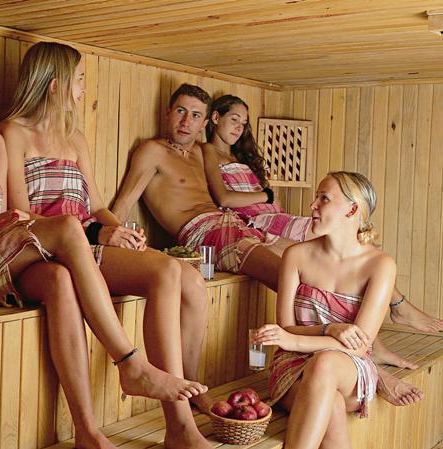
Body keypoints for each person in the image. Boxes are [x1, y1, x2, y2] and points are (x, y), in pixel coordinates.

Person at [0, 38, 207, 449]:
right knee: (69, 230)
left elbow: (16, 219)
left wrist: (116, 232)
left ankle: (88, 433)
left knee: (60, 279)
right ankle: (130, 363)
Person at [111, 83, 424, 406]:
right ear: (167, 113)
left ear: (205, 122)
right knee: (289, 276)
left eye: (195, 115)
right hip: (203, 231)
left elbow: (222, 189)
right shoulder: (152, 151)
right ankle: (367, 359)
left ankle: (366, 339)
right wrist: (114, 241)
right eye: (180, 111)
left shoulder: (202, 153)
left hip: (232, 223)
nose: (186, 121)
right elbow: (123, 204)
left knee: (310, 255)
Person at [0, 42, 212, 449]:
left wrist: (121, 231)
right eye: (79, 79)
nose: (83, 88)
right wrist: (98, 233)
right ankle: (154, 399)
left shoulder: (74, 138)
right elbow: (20, 213)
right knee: (159, 271)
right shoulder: (13, 132)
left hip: (85, 241)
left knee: (174, 271)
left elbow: (96, 205)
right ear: (56, 85)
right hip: (41, 249)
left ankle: (181, 425)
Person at [203, 94, 443, 334]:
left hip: (271, 215)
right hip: (253, 220)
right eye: (234, 119)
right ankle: (398, 306)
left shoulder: (240, 157)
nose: (240, 127)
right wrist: (266, 195)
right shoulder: (208, 151)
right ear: (215, 117)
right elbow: (224, 198)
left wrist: (268, 199)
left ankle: (387, 315)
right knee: (341, 243)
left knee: (343, 245)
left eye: (244, 123)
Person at [254, 171, 402, 448]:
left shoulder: (380, 265)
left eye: (324, 198)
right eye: (316, 197)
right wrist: (329, 329)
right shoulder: (296, 255)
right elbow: (285, 327)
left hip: (349, 368)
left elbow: (359, 345)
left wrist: (293, 340)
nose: (313, 205)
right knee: (330, 403)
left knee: (325, 363)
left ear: (352, 210)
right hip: (293, 367)